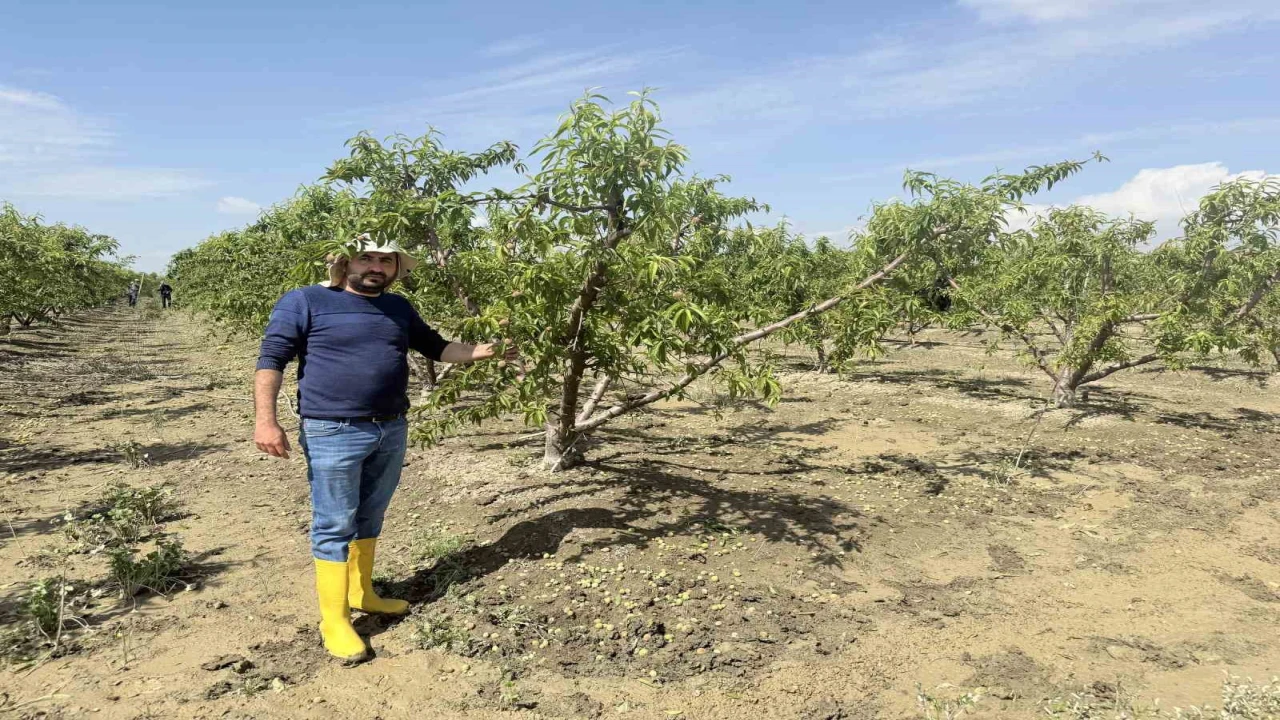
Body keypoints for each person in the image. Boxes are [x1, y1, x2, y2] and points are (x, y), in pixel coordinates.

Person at [252, 233, 516, 664]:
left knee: (371, 514)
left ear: (396, 270)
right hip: (332, 429)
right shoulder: (305, 300)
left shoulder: (397, 307)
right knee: (334, 522)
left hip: (390, 428)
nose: (376, 266)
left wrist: (486, 351)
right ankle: (334, 619)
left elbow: (437, 346)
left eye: (386, 261)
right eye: (367, 258)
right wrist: (266, 420)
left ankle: (363, 592)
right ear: (344, 262)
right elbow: (271, 359)